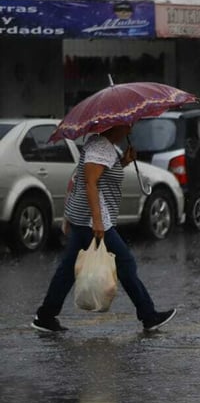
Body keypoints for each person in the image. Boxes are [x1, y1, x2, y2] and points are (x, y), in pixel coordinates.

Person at [31, 125, 177, 333]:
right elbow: (90, 182)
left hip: (83, 218)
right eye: (128, 124)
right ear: (116, 126)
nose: (131, 127)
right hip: (92, 221)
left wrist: (123, 162)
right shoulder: (101, 147)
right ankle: (148, 315)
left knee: (67, 269)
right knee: (125, 263)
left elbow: (100, 176)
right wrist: (98, 221)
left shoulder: (101, 145)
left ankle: (45, 316)